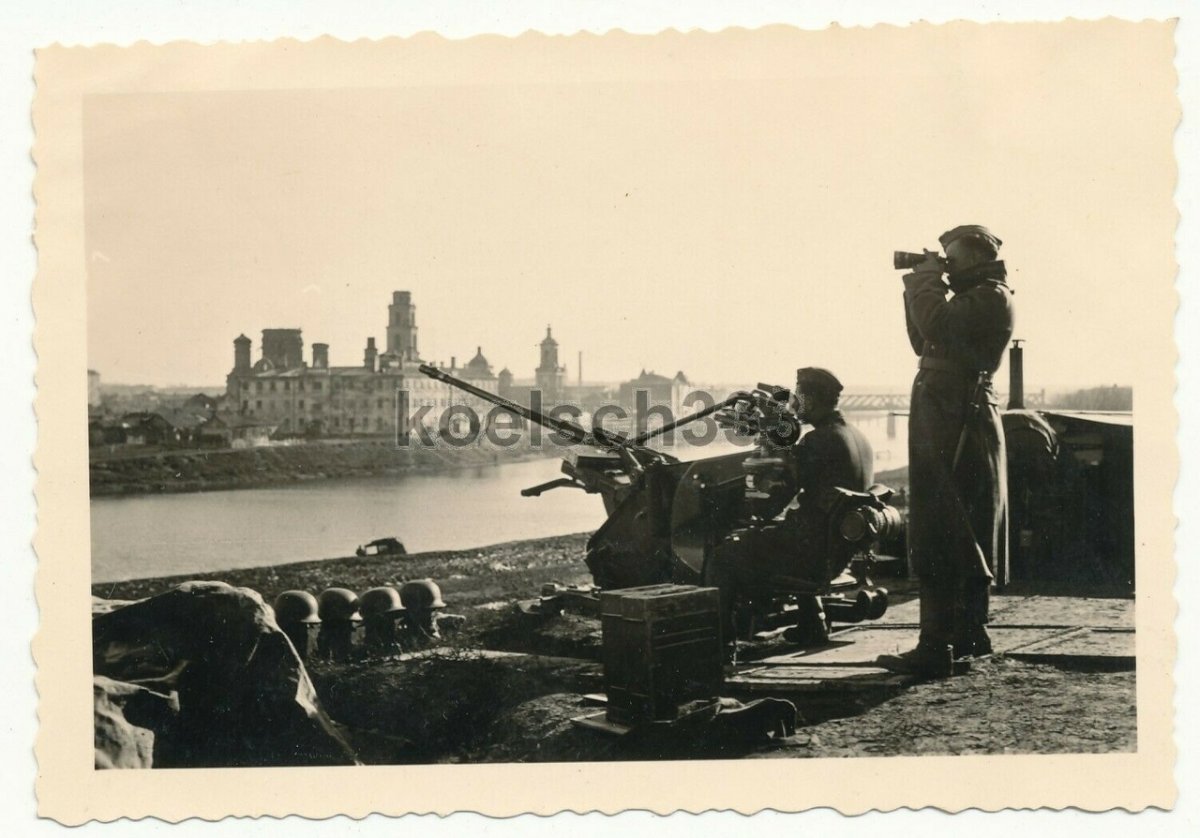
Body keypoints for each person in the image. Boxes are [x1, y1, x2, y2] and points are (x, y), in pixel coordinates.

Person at [878, 225, 1013, 677]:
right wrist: (920, 284)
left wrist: (926, 281)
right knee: (957, 524)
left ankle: (935, 647)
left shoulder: (990, 296)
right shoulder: (975, 297)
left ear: (974, 257)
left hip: (956, 413)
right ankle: (970, 636)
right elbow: (923, 339)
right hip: (950, 410)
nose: (945, 265)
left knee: (942, 525)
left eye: (950, 258)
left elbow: (936, 324)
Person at [709, 367, 873, 647]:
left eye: (799, 397)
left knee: (723, 556)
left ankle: (721, 645)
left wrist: (756, 495)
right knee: (794, 529)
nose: (794, 404)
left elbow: (773, 503)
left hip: (813, 556)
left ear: (812, 399)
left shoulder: (818, 441)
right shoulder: (858, 437)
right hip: (840, 550)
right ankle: (813, 624)